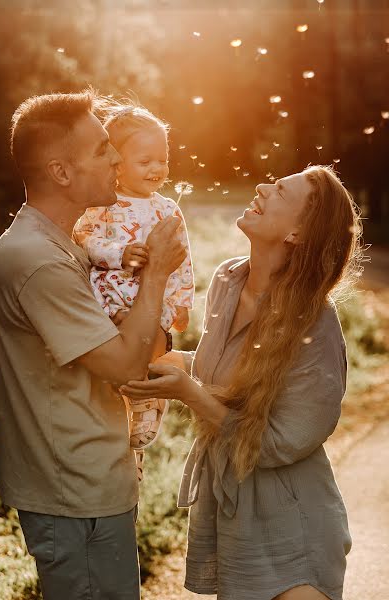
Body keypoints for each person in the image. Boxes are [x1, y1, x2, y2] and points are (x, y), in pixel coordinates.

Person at [121, 165, 359, 600]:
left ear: (297, 234)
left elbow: (281, 442)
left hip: (295, 530)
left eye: (281, 191)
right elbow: (229, 369)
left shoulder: (316, 323)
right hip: (236, 523)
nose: (262, 186)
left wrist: (189, 391)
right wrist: (178, 363)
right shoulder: (228, 280)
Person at [0, 90, 186, 600]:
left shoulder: (63, 246)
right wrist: (159, 274)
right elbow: (125, 365)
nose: (118, 157)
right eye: (102, 149)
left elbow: (143, 344)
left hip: (89, 480)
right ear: (60, 172)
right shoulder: (39, 261)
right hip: (74, 490)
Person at [73, 102, 194, 457]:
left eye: (163, 159)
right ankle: (115, 428)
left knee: (149, 362)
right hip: (110, 302)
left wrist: (183, 302)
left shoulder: (168, 208)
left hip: (152, 304)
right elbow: (83, 237)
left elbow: (182, 257)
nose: (157, 168)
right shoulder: (102, 204)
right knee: (114, 371)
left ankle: (145, 414)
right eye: (146, 161)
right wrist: (117, 254)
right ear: (116, 162)